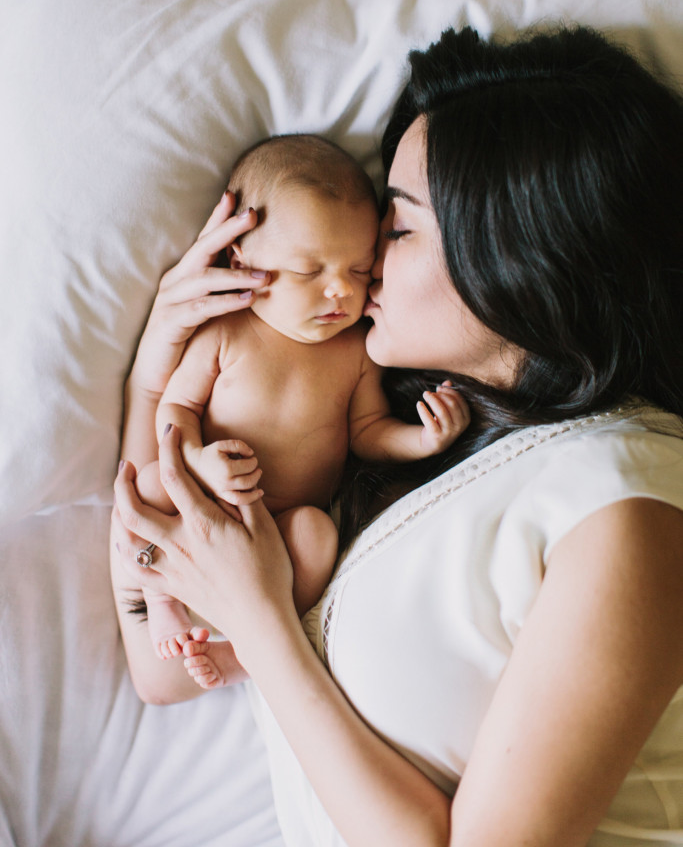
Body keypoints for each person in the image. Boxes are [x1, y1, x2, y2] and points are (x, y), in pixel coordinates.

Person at [112, 25, 683, 846]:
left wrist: (262, 616)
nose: (362, 263)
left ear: (514, 253)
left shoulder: (628, 507)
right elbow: (163, 665)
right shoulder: (446, 469)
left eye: (399, 227)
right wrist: (156, 375)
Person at [111, 134, 467, 695]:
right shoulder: (225, 333)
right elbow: (177, 408)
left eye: (358, 270)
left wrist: (420, 441)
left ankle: (244, 652)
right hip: (204, 493)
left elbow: (367, 432)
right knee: (154, 481)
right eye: (309, 272)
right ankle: (161, 600)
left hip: (278, 533)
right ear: (241, 261)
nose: (340, 293)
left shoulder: (355, 352)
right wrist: (200, 463)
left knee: (317, 535)